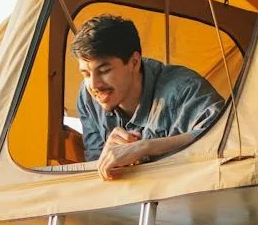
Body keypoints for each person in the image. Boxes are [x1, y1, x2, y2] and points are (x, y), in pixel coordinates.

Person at [72, 14, 226, 180]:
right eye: (86, 74)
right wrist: (108, 158)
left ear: (134, 62)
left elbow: (226, 136)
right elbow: (94, 168)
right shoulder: (87, 97)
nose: (94, 84)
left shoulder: (184, 89)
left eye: (104, 71)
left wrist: (145, 147)